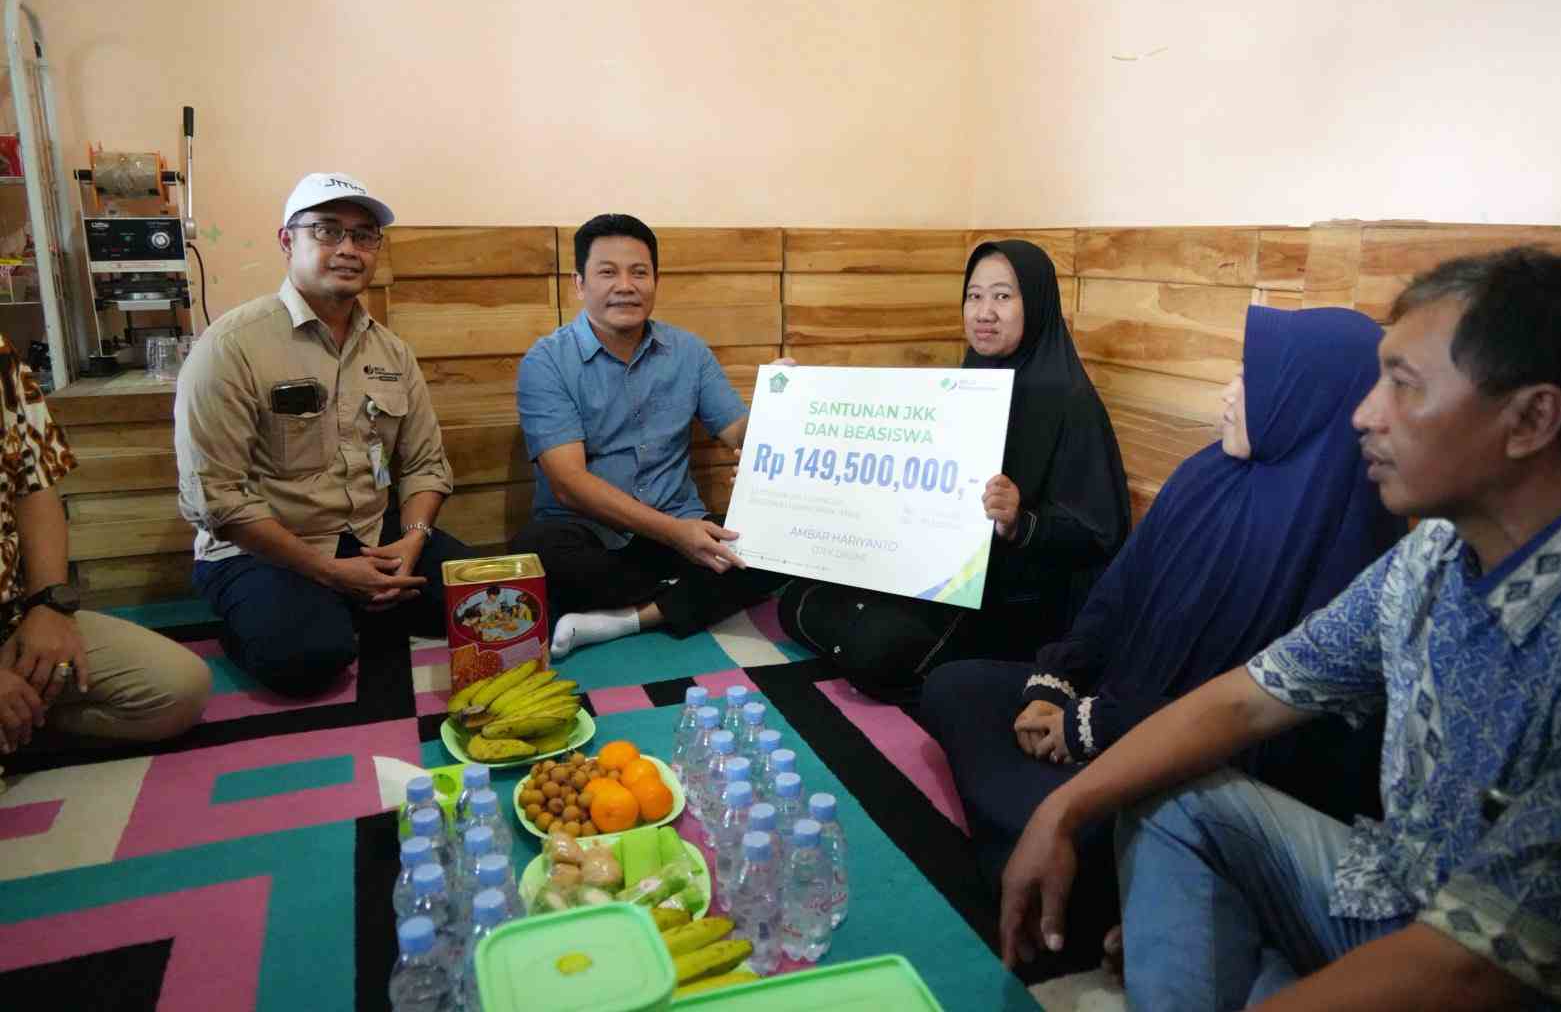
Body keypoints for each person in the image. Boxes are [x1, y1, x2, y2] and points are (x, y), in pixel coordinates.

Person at [998, 248, 1561, 1011]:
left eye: (1403, 385)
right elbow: (1249, 699)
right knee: (1172, 796)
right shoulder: (1431, 556)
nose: (1364, 414)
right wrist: (1062, 810)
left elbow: (1479, 965)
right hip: (1386, 891)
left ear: (1531, 419)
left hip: (1500, 974)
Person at [921, 302, 1402, 965]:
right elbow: (1118, 593)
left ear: (1306, 399)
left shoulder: (1353, 543)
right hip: (1111, 702)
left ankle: (1061, 855)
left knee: (1147, 821)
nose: (1227, 393)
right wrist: (1056, 683)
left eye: (1251, 379)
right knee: (953, 686)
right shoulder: (1208, 474)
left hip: (1189, 763)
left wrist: (1093, 728)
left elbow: (1258, 729)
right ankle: (1066, 859)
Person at [776, 240, 1131, 705]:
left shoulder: (1070, 402)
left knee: (877, 649)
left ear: (1037, 304)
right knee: (797, 603)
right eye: (974, 296)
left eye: (1003, 296)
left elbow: (1100, 536)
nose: (984, 312)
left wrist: (1019, 522)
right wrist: (795, 405)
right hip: (940, 572)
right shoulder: (966, 385)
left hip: (1014, 594)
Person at [175, 174, 472, 696]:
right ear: (287, 241)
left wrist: (411, 540)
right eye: (328, 231)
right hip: (266, 551)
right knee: (308, 658)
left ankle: (346, 605)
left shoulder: (392, 352)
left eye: (364, 235)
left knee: (496, 600)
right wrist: (331, 572)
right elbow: (216, 498)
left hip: (372, 537)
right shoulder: (230, 346)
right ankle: (310, 611)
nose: (348, 249)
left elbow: (425, 466)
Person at [512, 214, 780, 658]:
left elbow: (738, 433)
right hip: (590, 535)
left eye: (639, 272)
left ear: (656, 281)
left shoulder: (689, 352)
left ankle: (627, 618)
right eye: (607, 272)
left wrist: (780, 402)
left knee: (773, 548)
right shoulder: (546, 362)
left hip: (679, 525)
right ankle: (679, 598)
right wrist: (676, 534)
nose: (626, 286)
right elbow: (568, 485)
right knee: (540, 555)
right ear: (579, 284)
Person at [0, 331, 208, 770]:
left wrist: (47, 606)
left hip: (14, 617)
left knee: (178, 690)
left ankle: (24, 718)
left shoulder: (2, 358)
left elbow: (35, 485)